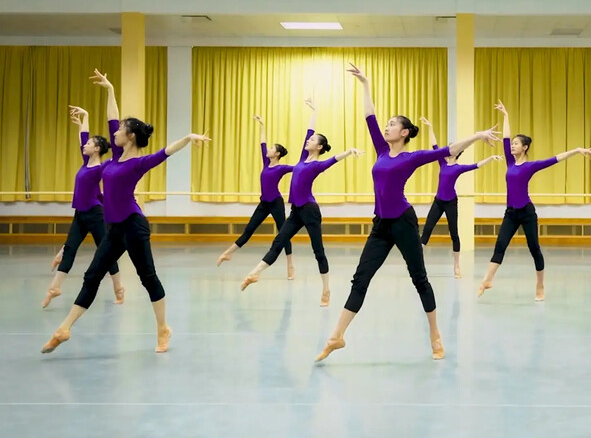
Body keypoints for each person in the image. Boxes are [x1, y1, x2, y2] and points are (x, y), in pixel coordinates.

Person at [315, 63, 499, 362]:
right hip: (380, 225)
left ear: (403, 132)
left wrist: (477, 135)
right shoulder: (381, 150)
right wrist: (365, 83)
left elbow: (448, 149)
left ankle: (435, 336)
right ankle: (337, 337)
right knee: (360, 278)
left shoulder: (413, 157)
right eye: (386, 125)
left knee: (419, 278)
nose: (386, 127)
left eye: (392, 125)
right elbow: (369, 117)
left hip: (402, 221)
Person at [41, 69, 210, 354]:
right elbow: (111, 116)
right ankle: (64, 328)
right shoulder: (115, 159)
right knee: (92, 275)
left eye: (120, 129)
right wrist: (109, 89)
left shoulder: (137, 163)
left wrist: (187, 137)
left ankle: (163, 329)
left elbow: (165, 152)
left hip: (134, 225)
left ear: (130, 136)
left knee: (148, 278)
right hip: (115, 228)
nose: (115, 132)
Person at [240, 99, 362, 307]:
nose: (308, 141)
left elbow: (333, 159)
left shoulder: (317, 165)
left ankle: (326, 290)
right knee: (279, 241)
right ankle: (254, 273)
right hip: (296, 210)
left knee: (318, 251)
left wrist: (349, 151)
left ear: (319, 146)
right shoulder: (302, 159)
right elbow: (309, 130)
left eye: (312, 140)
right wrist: (315, 110)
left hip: (310, 211)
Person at [477, 100, 591, 302]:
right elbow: (505, 137)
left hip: (526, 212)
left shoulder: (530, 166)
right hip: (510, 213)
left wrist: (576, 150)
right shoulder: (510, 161)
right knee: (500, 245)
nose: (512, 145)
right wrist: (506, 116)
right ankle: (488, 279)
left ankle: (540, 285)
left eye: (516, 143)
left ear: (525, 147)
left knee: (534, 249)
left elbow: (555, 159)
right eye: (512, 143)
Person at [43, 105, 124, 308]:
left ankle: (119, 288)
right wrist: (86, 115)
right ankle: (55, 287)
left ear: (96, 148)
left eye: (89, 144)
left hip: (96, 214)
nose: (84, 145)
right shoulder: (85, 162)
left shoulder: (100, 168)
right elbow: (83, 135)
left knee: (105, 251)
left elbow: (114, 161)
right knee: (70, 248)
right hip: (80, 213)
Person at [418, 116, 501, 278]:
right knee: (426, 230)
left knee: (454, 233)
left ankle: (457, 266)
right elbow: (434, 145)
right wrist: (430, 127)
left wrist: (491, 158)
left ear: (457, 152)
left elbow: (476, 165)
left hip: (450, 203)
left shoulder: (459, 167)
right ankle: (418, 264)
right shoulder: (441, 162)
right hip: (438, 201)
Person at [217, 113, 295, 280]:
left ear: (277, 154)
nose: (268, 150)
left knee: (283, 233)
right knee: (249, 230)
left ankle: (290, 265)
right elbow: (262, 142)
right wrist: (262, 125)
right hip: (264, 203)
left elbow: (299, 168)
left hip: (276, 202)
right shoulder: (266, 163)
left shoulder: (281, 168)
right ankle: (228, 253)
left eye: (272, 149)